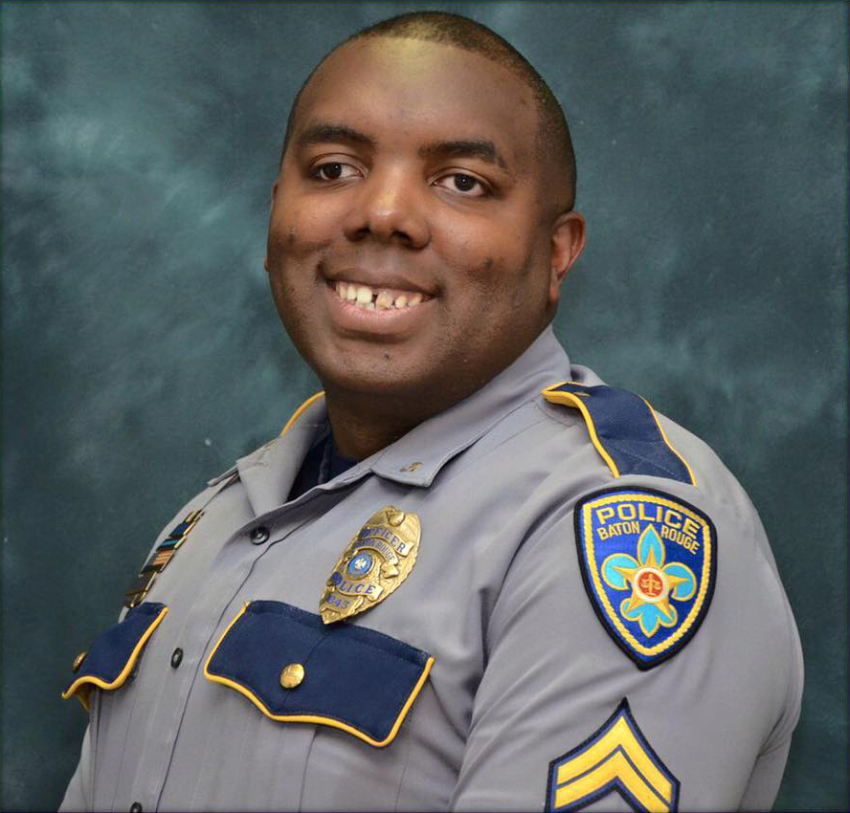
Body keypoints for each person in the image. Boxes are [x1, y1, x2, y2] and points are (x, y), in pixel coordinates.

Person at [60, 11, 803, 812]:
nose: (382, 213)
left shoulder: (619, 530)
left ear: (558, 253)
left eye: (462, 183)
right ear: (275, 216)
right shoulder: (209, 525)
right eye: (335, 168)